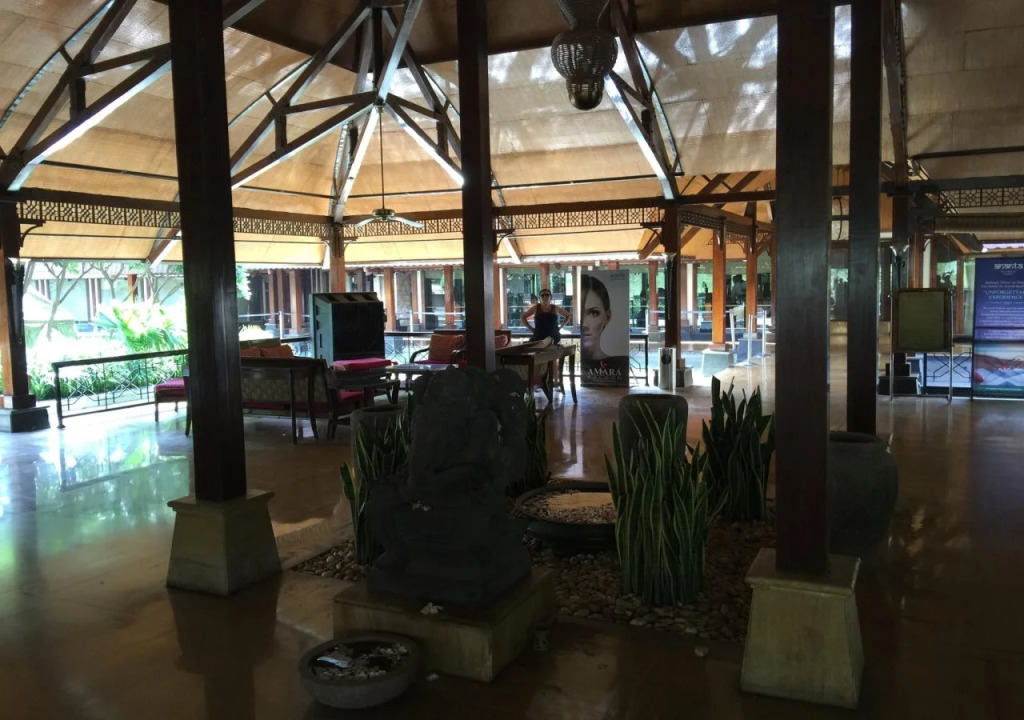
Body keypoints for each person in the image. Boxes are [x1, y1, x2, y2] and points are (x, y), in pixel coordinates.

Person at [580, 274, 629, 386]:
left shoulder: (620, 364)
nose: (584, 324)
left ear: (607, 317)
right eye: (581, 313)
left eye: (594, 313)